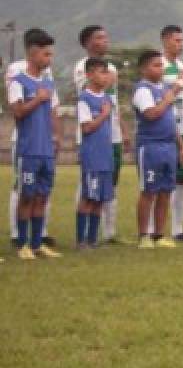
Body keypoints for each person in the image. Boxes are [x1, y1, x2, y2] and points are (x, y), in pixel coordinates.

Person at [71, 25, 128, 245]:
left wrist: (122, 127)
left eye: (106, 36)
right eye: (99, 37)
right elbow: (88, 94)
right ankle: (82, 237)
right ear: (87, 42)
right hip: (92, 141)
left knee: (108, 184)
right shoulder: (82, 68)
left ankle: (106, 232)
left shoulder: (110, 69)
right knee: (88, 188)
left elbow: (112, 103)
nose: (105, 41)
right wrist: (109, 78)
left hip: (109, 136)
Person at [9, 29, 62, 259]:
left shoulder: (48, 82)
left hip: (46, 150)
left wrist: (57, 137)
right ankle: (22, 244)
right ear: (32, 54)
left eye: (50, 55)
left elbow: (53, 111)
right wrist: (37, 99)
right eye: (45, 55)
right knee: (26, 196)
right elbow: (18, 112)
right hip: (28, 149)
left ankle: (37, 242)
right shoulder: (18, 81)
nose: (49, 60)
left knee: (42, 196)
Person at [131, 50, 183, 250]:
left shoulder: (164, 89)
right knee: (148, 191)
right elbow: (151, 114)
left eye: (161, 65)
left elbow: (171, 121)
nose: (160, 69)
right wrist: (170, 95)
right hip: (151, 146)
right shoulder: (143, 90)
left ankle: (159, 234)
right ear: (144, 69)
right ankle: (143, 234)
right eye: (156, 65)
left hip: (168, 146)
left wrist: (180, 146)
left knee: (166, 191)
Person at [161, 25, 183, 241]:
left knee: (182, 180)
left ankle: (178, 228)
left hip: (182, 128)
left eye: (182, 41)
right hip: (165, 128)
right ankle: (154, 229)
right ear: (165, 41)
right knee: (162, 180)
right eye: (176, 41)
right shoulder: (159, 65)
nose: (180, 45)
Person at [76, 58, 114, 250]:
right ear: (89, 74)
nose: (104, 76)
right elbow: (87, 127)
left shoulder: (106, 98)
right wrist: (104, 114)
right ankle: (81, 240)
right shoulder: (85, 98)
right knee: (88, 197)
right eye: (100, 72)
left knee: (100, 198)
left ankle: (92, 239)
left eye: (106, 72)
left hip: (105, 154)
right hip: (92, 154)